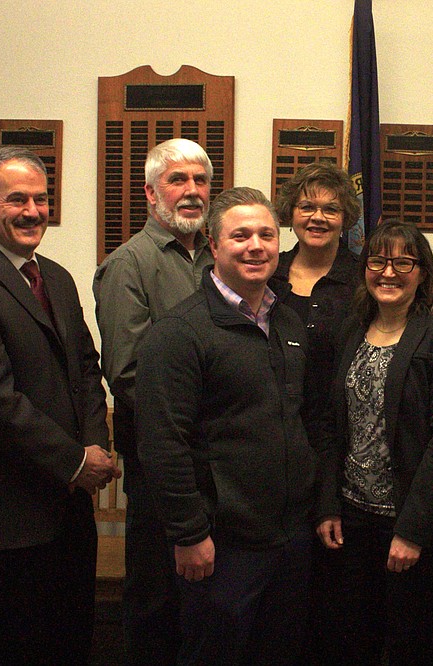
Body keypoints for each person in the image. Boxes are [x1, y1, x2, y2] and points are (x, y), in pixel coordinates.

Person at [0, 147, 119, 663]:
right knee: (11, 646)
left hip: (67, 507)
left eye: (40, 199)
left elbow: (84, 368)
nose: (33, 211)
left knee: (70, 638)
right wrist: (75, 461)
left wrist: (95, 442)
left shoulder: (54, 276)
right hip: (4, 509)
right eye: (17, 199)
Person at [135, 187, 315, 665]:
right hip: (222, 546)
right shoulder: (179, 334)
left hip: (289, 538)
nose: (255, 245)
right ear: (214, 246)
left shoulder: (289, 325)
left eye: (266, 235)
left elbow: (299, 421)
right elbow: (162, 445)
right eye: (240, 236)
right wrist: (189, 535)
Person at [313, 220, 433, 664]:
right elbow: (330, 424)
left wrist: (411, 530)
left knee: (410, 642)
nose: (389, 272)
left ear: (422, 272)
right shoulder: (349, 331)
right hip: (352, 519)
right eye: (378, 261)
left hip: (411, 524)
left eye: (403, 262)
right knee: (353, 638)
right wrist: (327, 504)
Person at [93, 138, 214, 664]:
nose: (191, 192)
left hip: (220, 461)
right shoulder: (128, 266)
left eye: (201, 181)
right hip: (162, 461)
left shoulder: (221, 256)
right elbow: (130, 374)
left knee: (208, 602)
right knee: (157, 597)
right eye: (177, 181)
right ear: (150, 192)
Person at [270, 162, 362, 440]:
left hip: (342, 431)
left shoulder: (363, 280)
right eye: (307, 207)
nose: (317, 217)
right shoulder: (270, 275)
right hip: (275, 426)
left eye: (331, 209)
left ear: (345, 218)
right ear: (291, 213)